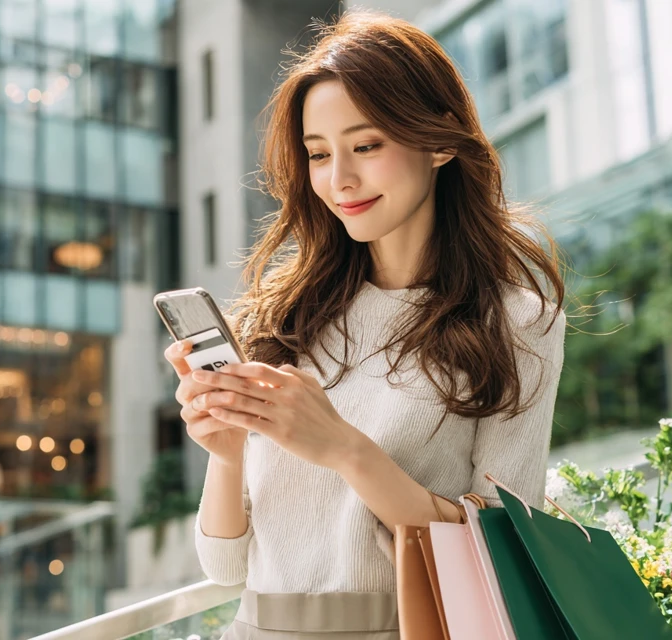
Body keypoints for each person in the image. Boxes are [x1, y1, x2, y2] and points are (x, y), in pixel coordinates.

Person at [162, 11, 568, 640]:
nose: (339, 180)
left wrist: (345, 450)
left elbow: (504, 548)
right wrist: (227, 452)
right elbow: (224, 566)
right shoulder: (285, 317)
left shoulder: (517, 321)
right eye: (319, 154)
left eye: (367, 145)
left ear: (439, 142)